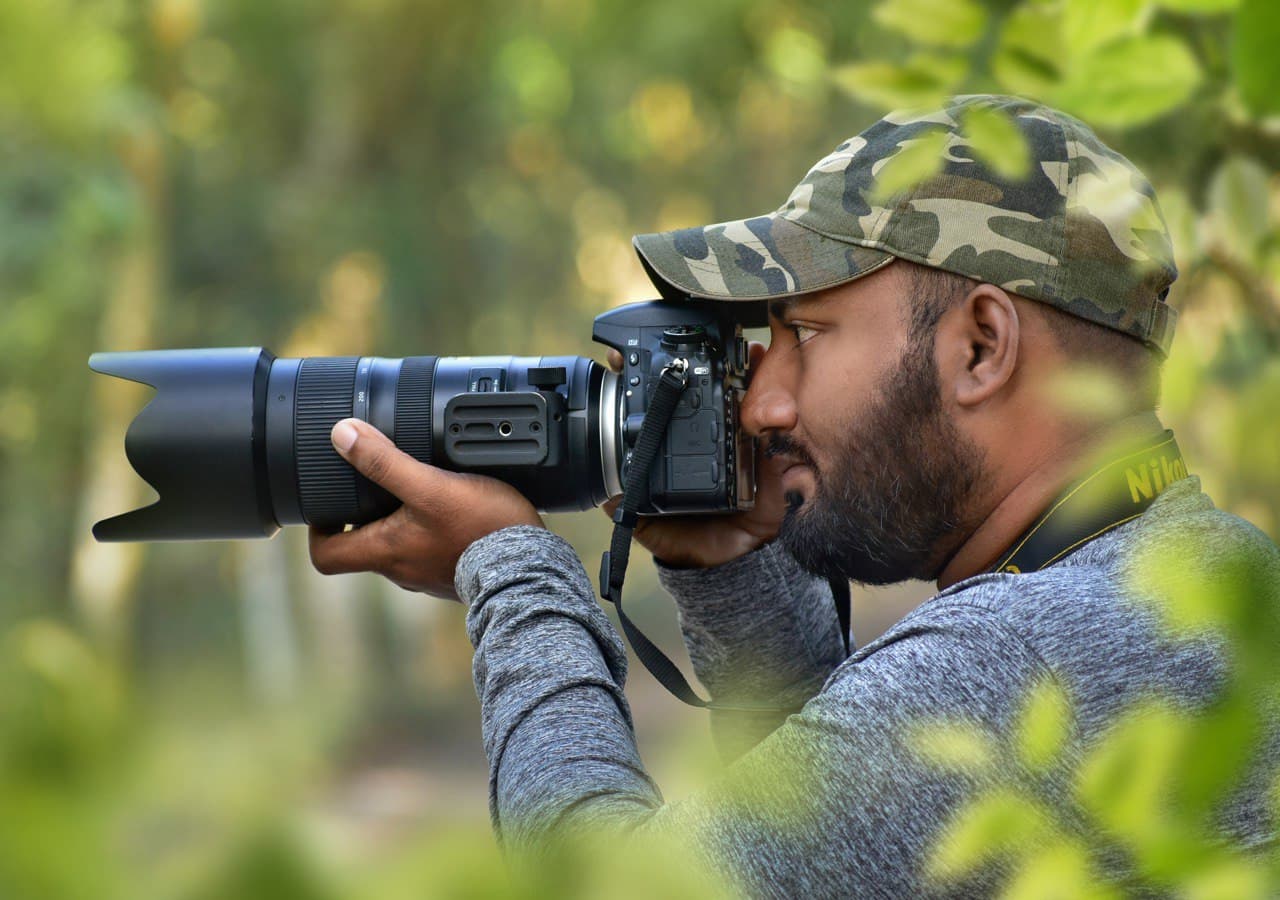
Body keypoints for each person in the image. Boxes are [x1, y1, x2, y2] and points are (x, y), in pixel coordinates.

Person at [308, 95, 1280, 895]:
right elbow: (838, 857)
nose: (764, 401)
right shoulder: (1216, 577)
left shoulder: (1017, 656)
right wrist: (730, 572)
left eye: (804, 334)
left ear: (979, 346)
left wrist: (509, 570)